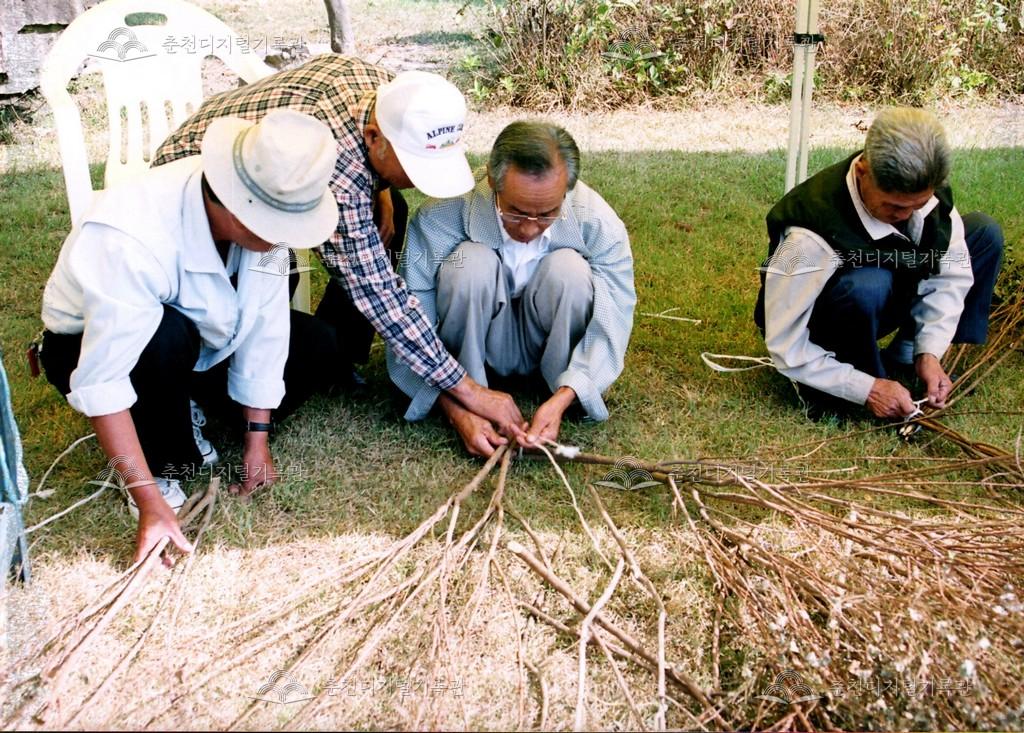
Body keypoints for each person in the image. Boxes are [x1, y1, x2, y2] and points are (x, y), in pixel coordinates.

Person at [153, 55, 527, 443]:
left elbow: (366, 167)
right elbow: (381, 295)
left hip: (268, 171)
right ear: (372, 138)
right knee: (284, 336)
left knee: (391, 209)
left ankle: (340, 356)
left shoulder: (391, 94)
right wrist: (468, 391)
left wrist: (380, 190)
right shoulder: (338, 168)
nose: (417, 183)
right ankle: (199, 385)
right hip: (209, 196)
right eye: (413, 168)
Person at [40, 109, 341, 564]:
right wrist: (147, 500)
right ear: (234, 203)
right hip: (90, 348)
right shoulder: (129, 234)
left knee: (319, 344)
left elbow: (268, 324)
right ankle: (160, 464)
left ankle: (182, 404)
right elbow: (101, 380)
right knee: (165, 335)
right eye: (278, 226)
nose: (287, 239)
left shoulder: (267, 233)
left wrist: (255, 442)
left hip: (207, 342)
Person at [388, 121, 636, 456]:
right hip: (465, 364)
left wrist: (565, 399)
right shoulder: (440, 218)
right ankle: (470, 387)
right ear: (492, 179)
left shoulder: (596, 221)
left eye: (548, 213)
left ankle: (555, 384)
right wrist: (459, 409)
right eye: (516, 213)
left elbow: (615, 316)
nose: (531, 228)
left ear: (567, 189)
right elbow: (406, 322)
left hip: (549, 351)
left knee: (571, 270)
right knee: (469, 265)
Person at [755, 107, 1003, 419]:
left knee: (982, 233)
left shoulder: (926, 196)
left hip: (888, 289)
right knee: (868, 283)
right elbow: (785, 343)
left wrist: (929, 351)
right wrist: (865, 388)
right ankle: (861, 374)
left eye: (920, 204)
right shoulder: (808, 238)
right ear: (863, 171)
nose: (909, 216)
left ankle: (906, 357)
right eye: (895, 207)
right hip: (829, 315)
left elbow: (950, 273)